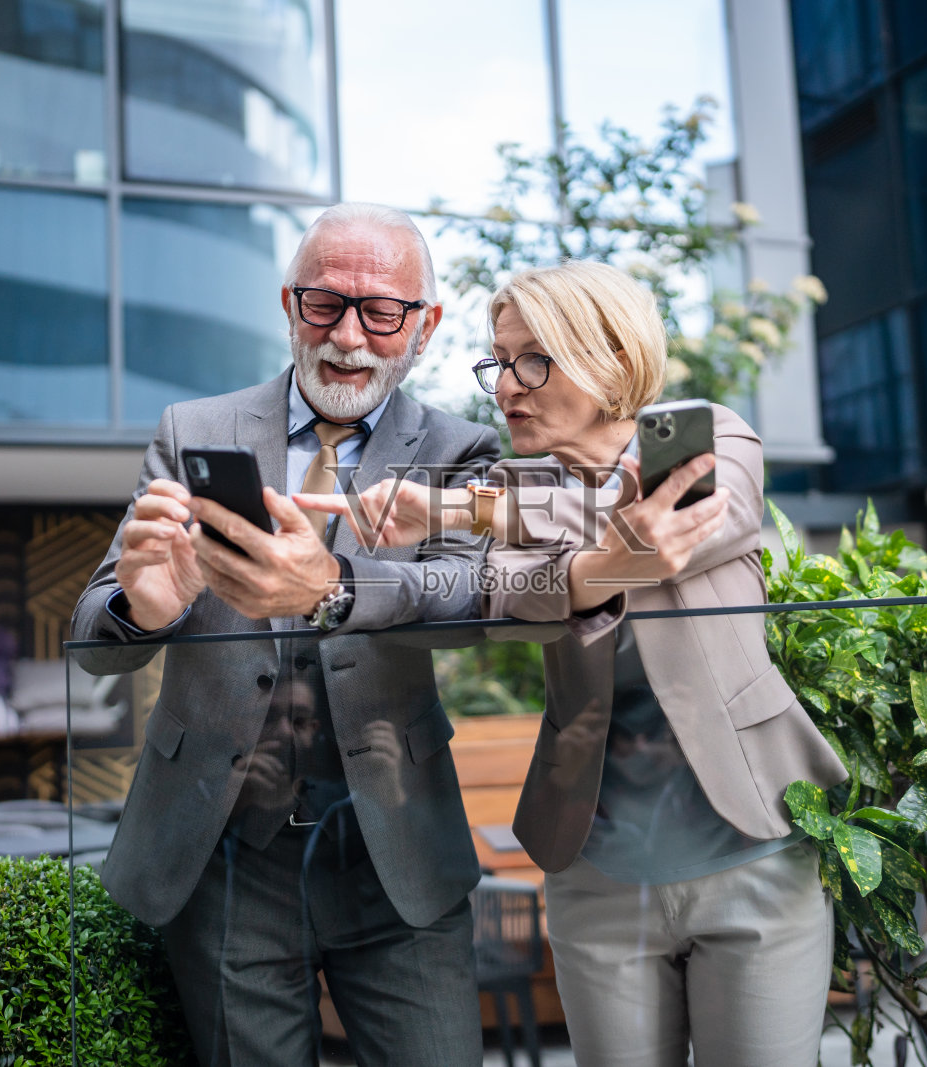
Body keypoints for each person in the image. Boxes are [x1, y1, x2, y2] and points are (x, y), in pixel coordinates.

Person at [300, 259, 849, 1067]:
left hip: (754, 844)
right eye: (498, 362)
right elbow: (499, 599)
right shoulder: (508, 484)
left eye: (532, 360)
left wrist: (462, 509)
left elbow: (684, 524)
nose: (506, 386)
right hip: (597, 868)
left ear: (611, 360)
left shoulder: (700, 436)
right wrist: (577, 554)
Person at [70, 203, 499, 1067]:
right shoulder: (194, 431)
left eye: (381, 312)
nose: (348, 337)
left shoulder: (462, 451)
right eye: (323, 304)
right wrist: (147, 607)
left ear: (426, 325)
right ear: (287, 303)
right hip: (224, 851)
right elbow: (92, 629)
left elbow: (468, 601)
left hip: (396, 852)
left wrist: (336, 585)